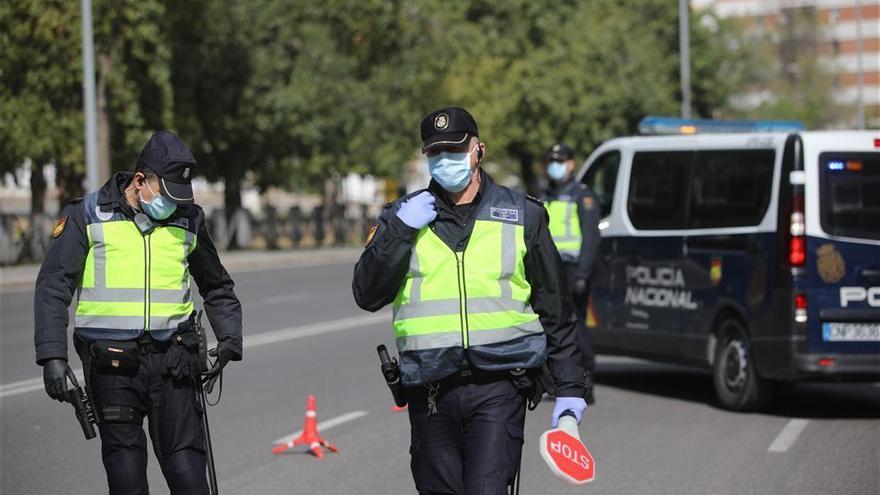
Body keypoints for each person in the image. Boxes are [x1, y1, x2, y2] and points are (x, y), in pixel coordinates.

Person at [353, 107, 589, 495]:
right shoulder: (402, 218)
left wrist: (568, 391)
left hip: (500, 385)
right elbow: (366, 294)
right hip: (430, 391)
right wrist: (396, 232)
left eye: (455, 149)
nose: (446, 160)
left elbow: (556, 310)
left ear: (479, 150)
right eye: (436, 152)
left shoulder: (522, 215)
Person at [35, 130, 242, 495]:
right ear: (140, 181)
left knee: (189, 470)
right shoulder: (87, 213)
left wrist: (229, 339)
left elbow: (217, 284)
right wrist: (52, 355)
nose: (172, 205)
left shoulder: (188, 219)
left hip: (174, 364)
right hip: (112, 367)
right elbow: (54, 285)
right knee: (126, 471)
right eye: (165, 194)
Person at [541, 143, 599, 404]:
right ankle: (555, 381)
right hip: (550, 269)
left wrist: (583, 274)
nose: (555, 165)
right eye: (551, 161)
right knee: (551, 325)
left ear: (572, 164)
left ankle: (586, 381)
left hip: (574, 269)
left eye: (560, 161)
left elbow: (591, 238)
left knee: (577, 328)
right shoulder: (545, 194)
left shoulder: (582, 195)